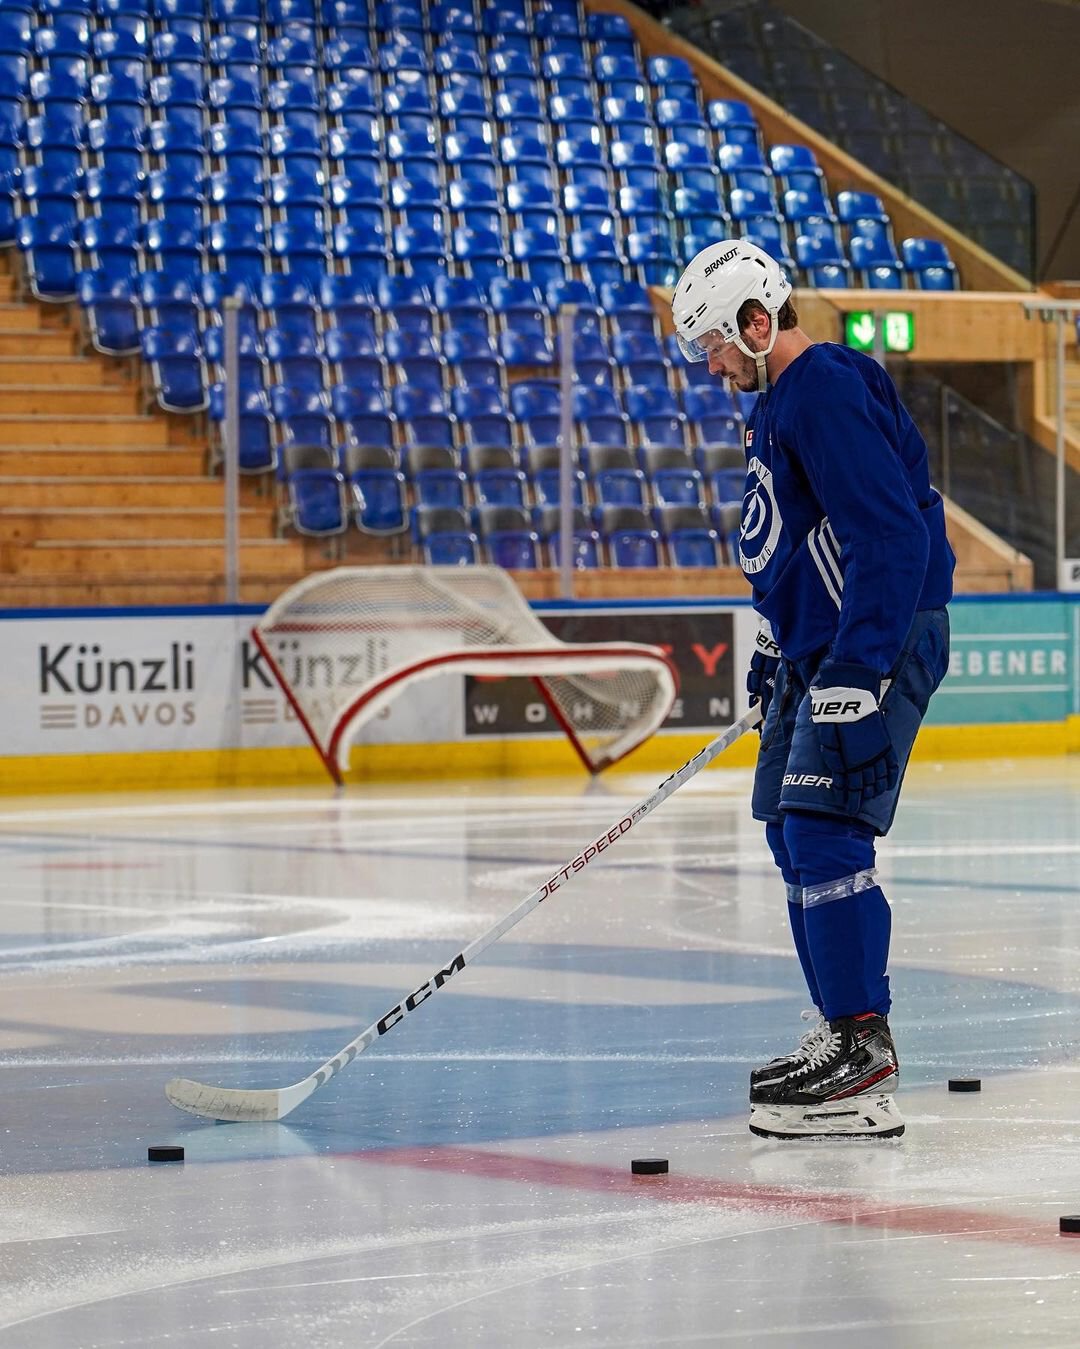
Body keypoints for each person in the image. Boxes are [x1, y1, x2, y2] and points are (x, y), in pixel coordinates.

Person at [672, 240, 955, 1140]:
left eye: (717, 342)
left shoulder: (825, 385)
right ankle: (841, 1034)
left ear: (761, 320)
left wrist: (860, 669)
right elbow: (797, 544)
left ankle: (863, 1058)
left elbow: (892, 537)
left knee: (827, 828)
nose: (713, 365)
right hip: (819, 649)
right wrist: (775, 649)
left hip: (877, 639)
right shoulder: (775, 406)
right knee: (789, 830)